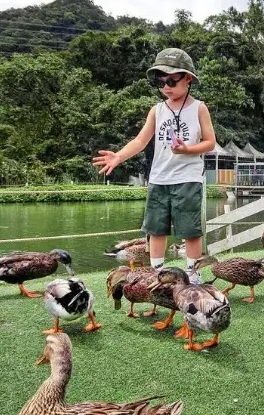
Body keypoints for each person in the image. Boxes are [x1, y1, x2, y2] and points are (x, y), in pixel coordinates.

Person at [92, 48, 216, 284]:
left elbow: (210, 142)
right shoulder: (156, 110)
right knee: (156, 230)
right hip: (159, 178)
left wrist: (187, 149)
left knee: (190, 230)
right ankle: (158, 274)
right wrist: (118, 156)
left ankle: (192, 275)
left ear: (187, 78)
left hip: (187, 179)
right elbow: (140, 140)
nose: (166, 87)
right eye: (161, 82)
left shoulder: (199, 108)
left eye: (171, 80)